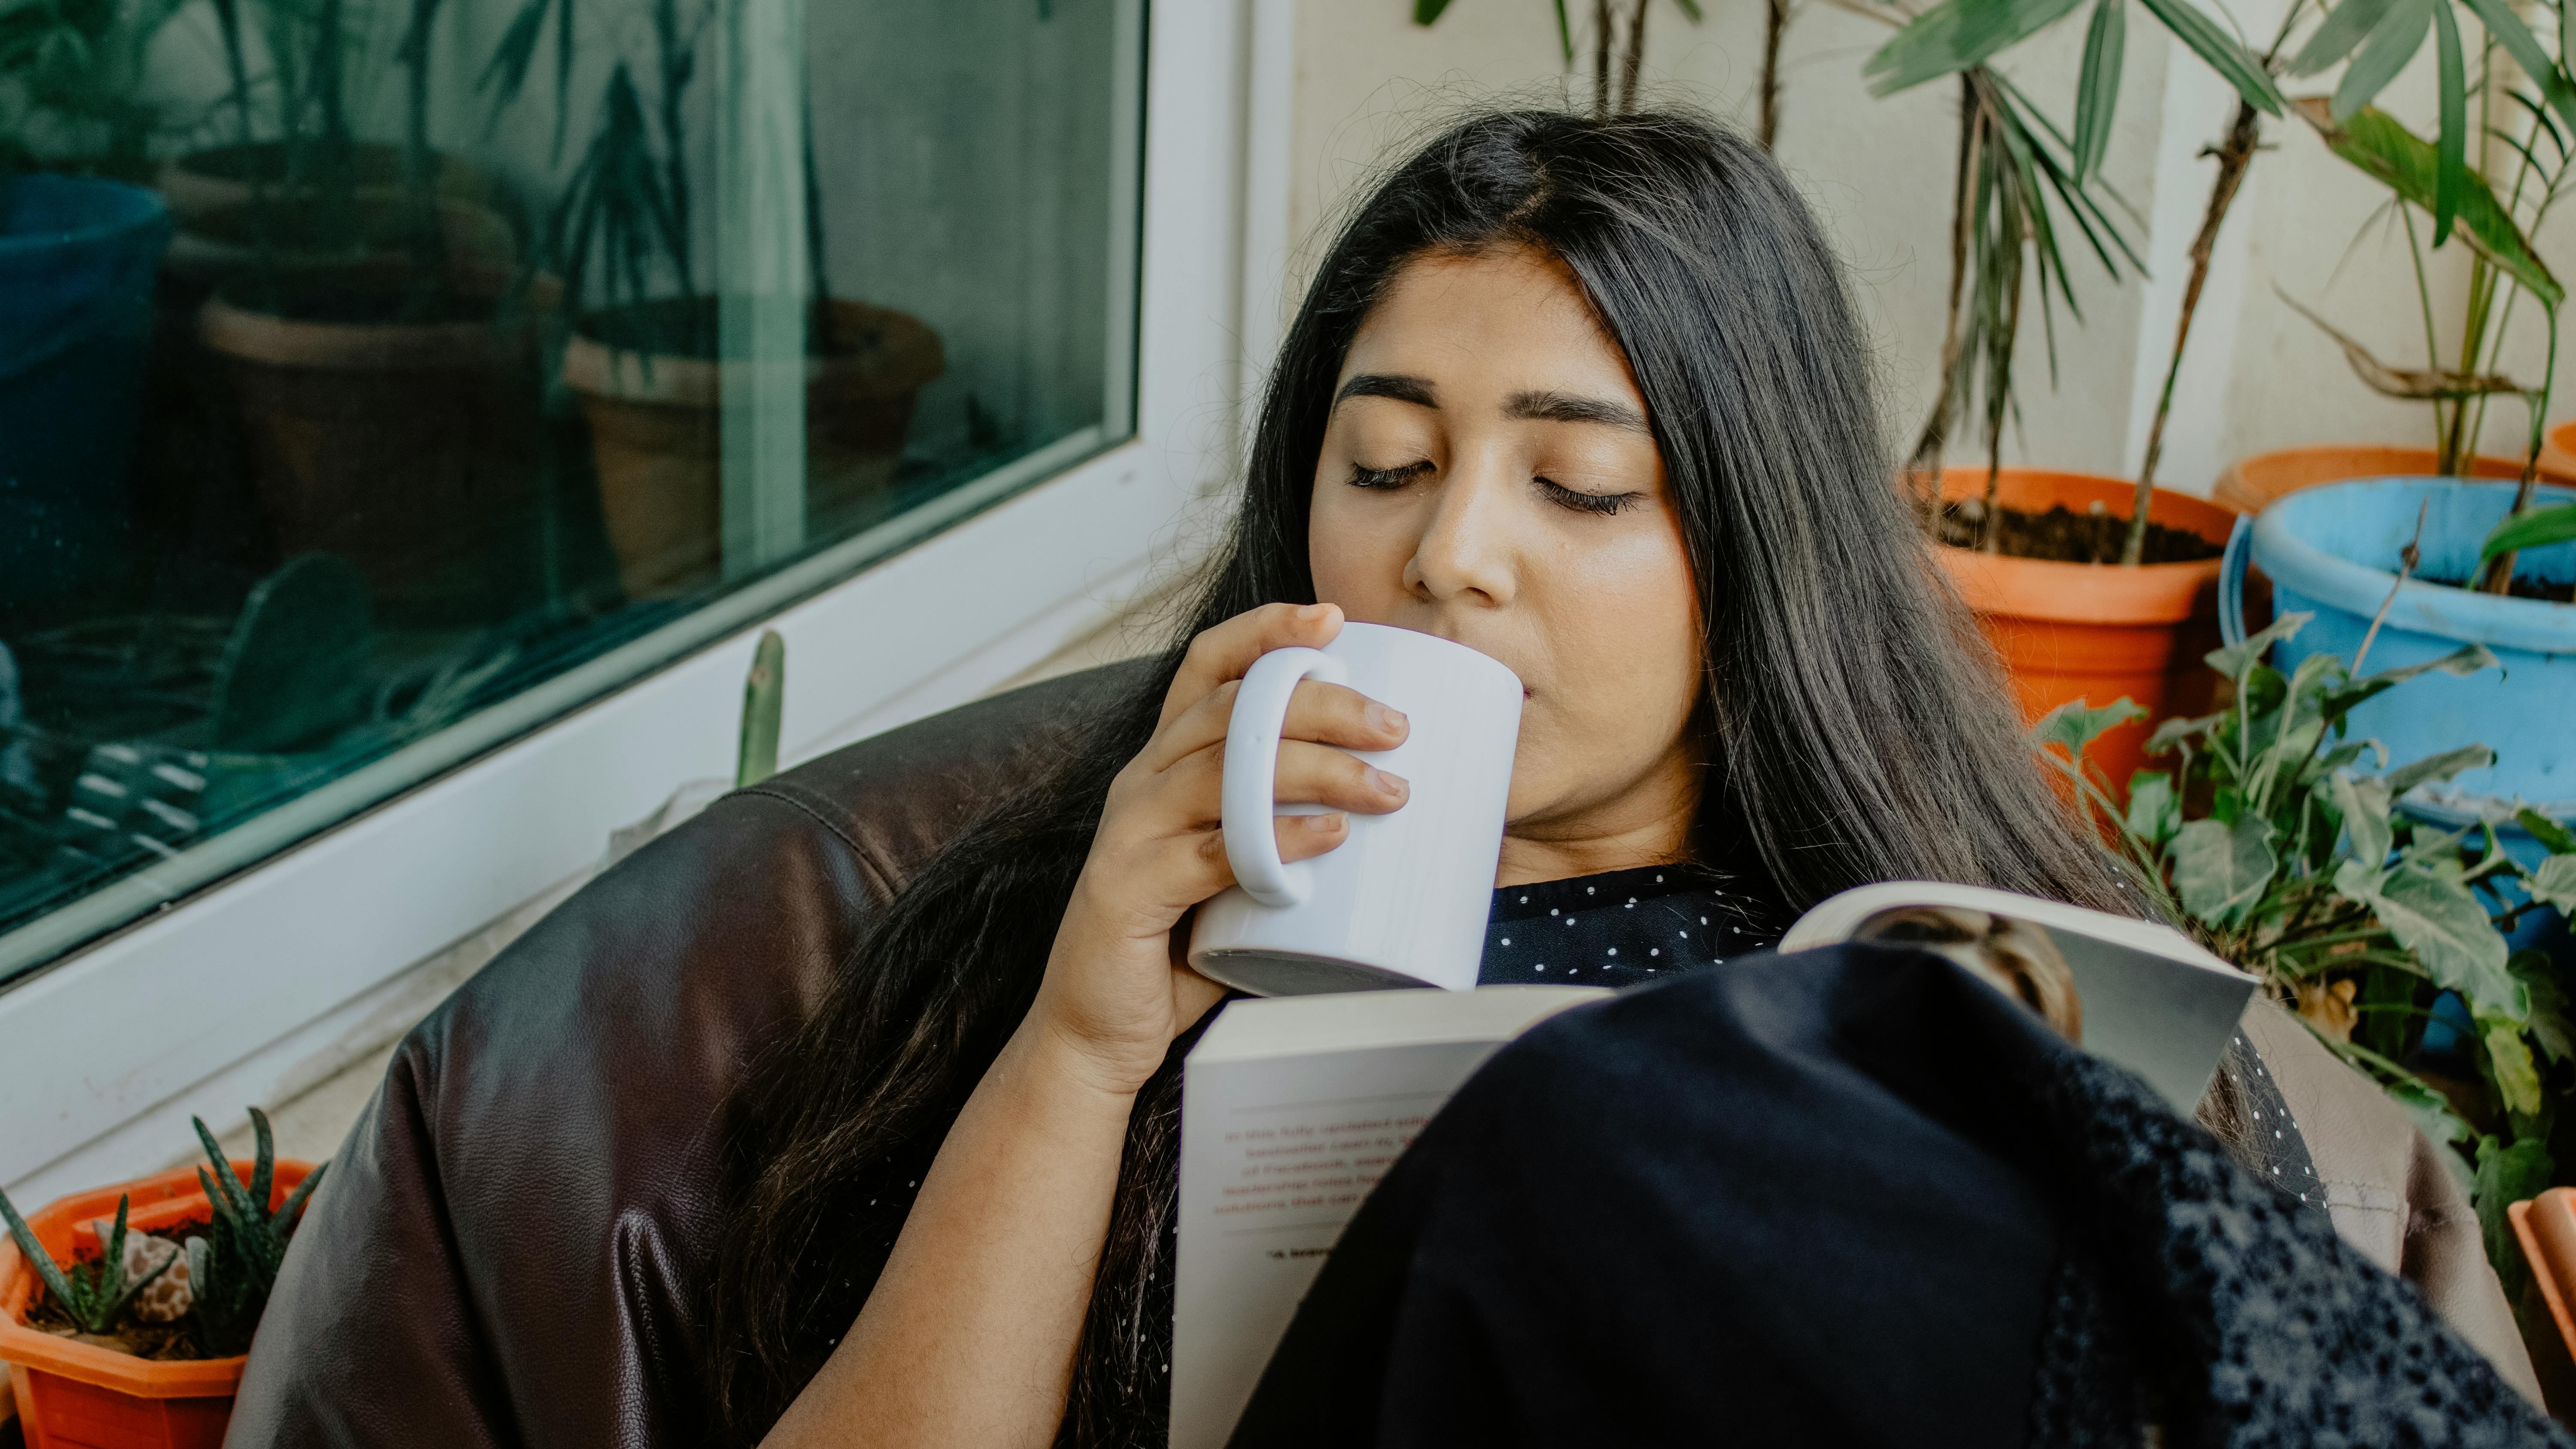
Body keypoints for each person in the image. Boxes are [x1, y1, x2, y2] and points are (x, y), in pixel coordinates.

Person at [708, 108, 2496, 1449]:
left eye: (1578, 488)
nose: (1454, 553)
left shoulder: (1950, 956)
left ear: (1755, 547)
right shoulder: (1077, 934)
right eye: (1389, 463)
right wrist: (1081, 1053)